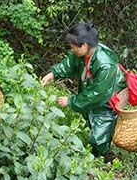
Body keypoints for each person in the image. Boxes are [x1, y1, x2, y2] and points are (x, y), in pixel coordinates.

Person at [41, 22, 126, 163]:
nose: (72, 49)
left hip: (109, 97)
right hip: (93, 91)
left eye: (73, 47)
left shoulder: (105, 65)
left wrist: (71, 101)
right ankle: (96, 154)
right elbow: (69, 64)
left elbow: (98, 94)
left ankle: (107, 157)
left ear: (84, 45)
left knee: (99, 135)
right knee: (90, 119)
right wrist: (53, 74)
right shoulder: (82, 53)